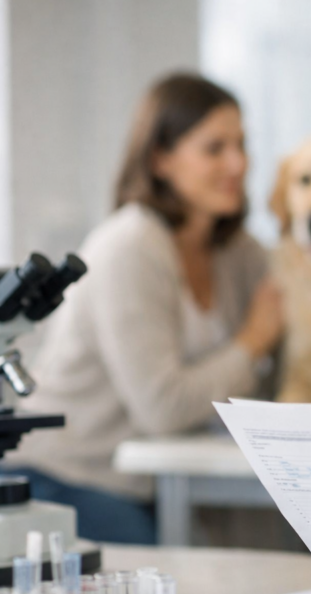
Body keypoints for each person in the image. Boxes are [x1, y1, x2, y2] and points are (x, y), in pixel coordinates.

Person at [5, 74, 284, 544]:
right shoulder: (129, 245)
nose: (238, 163)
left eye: (242, 144)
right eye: (215, 148)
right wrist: (253, 340)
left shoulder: (239, 252)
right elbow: (164, 407)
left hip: (156, 478)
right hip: (70, 474)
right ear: (160, 159)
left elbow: (269, 386)